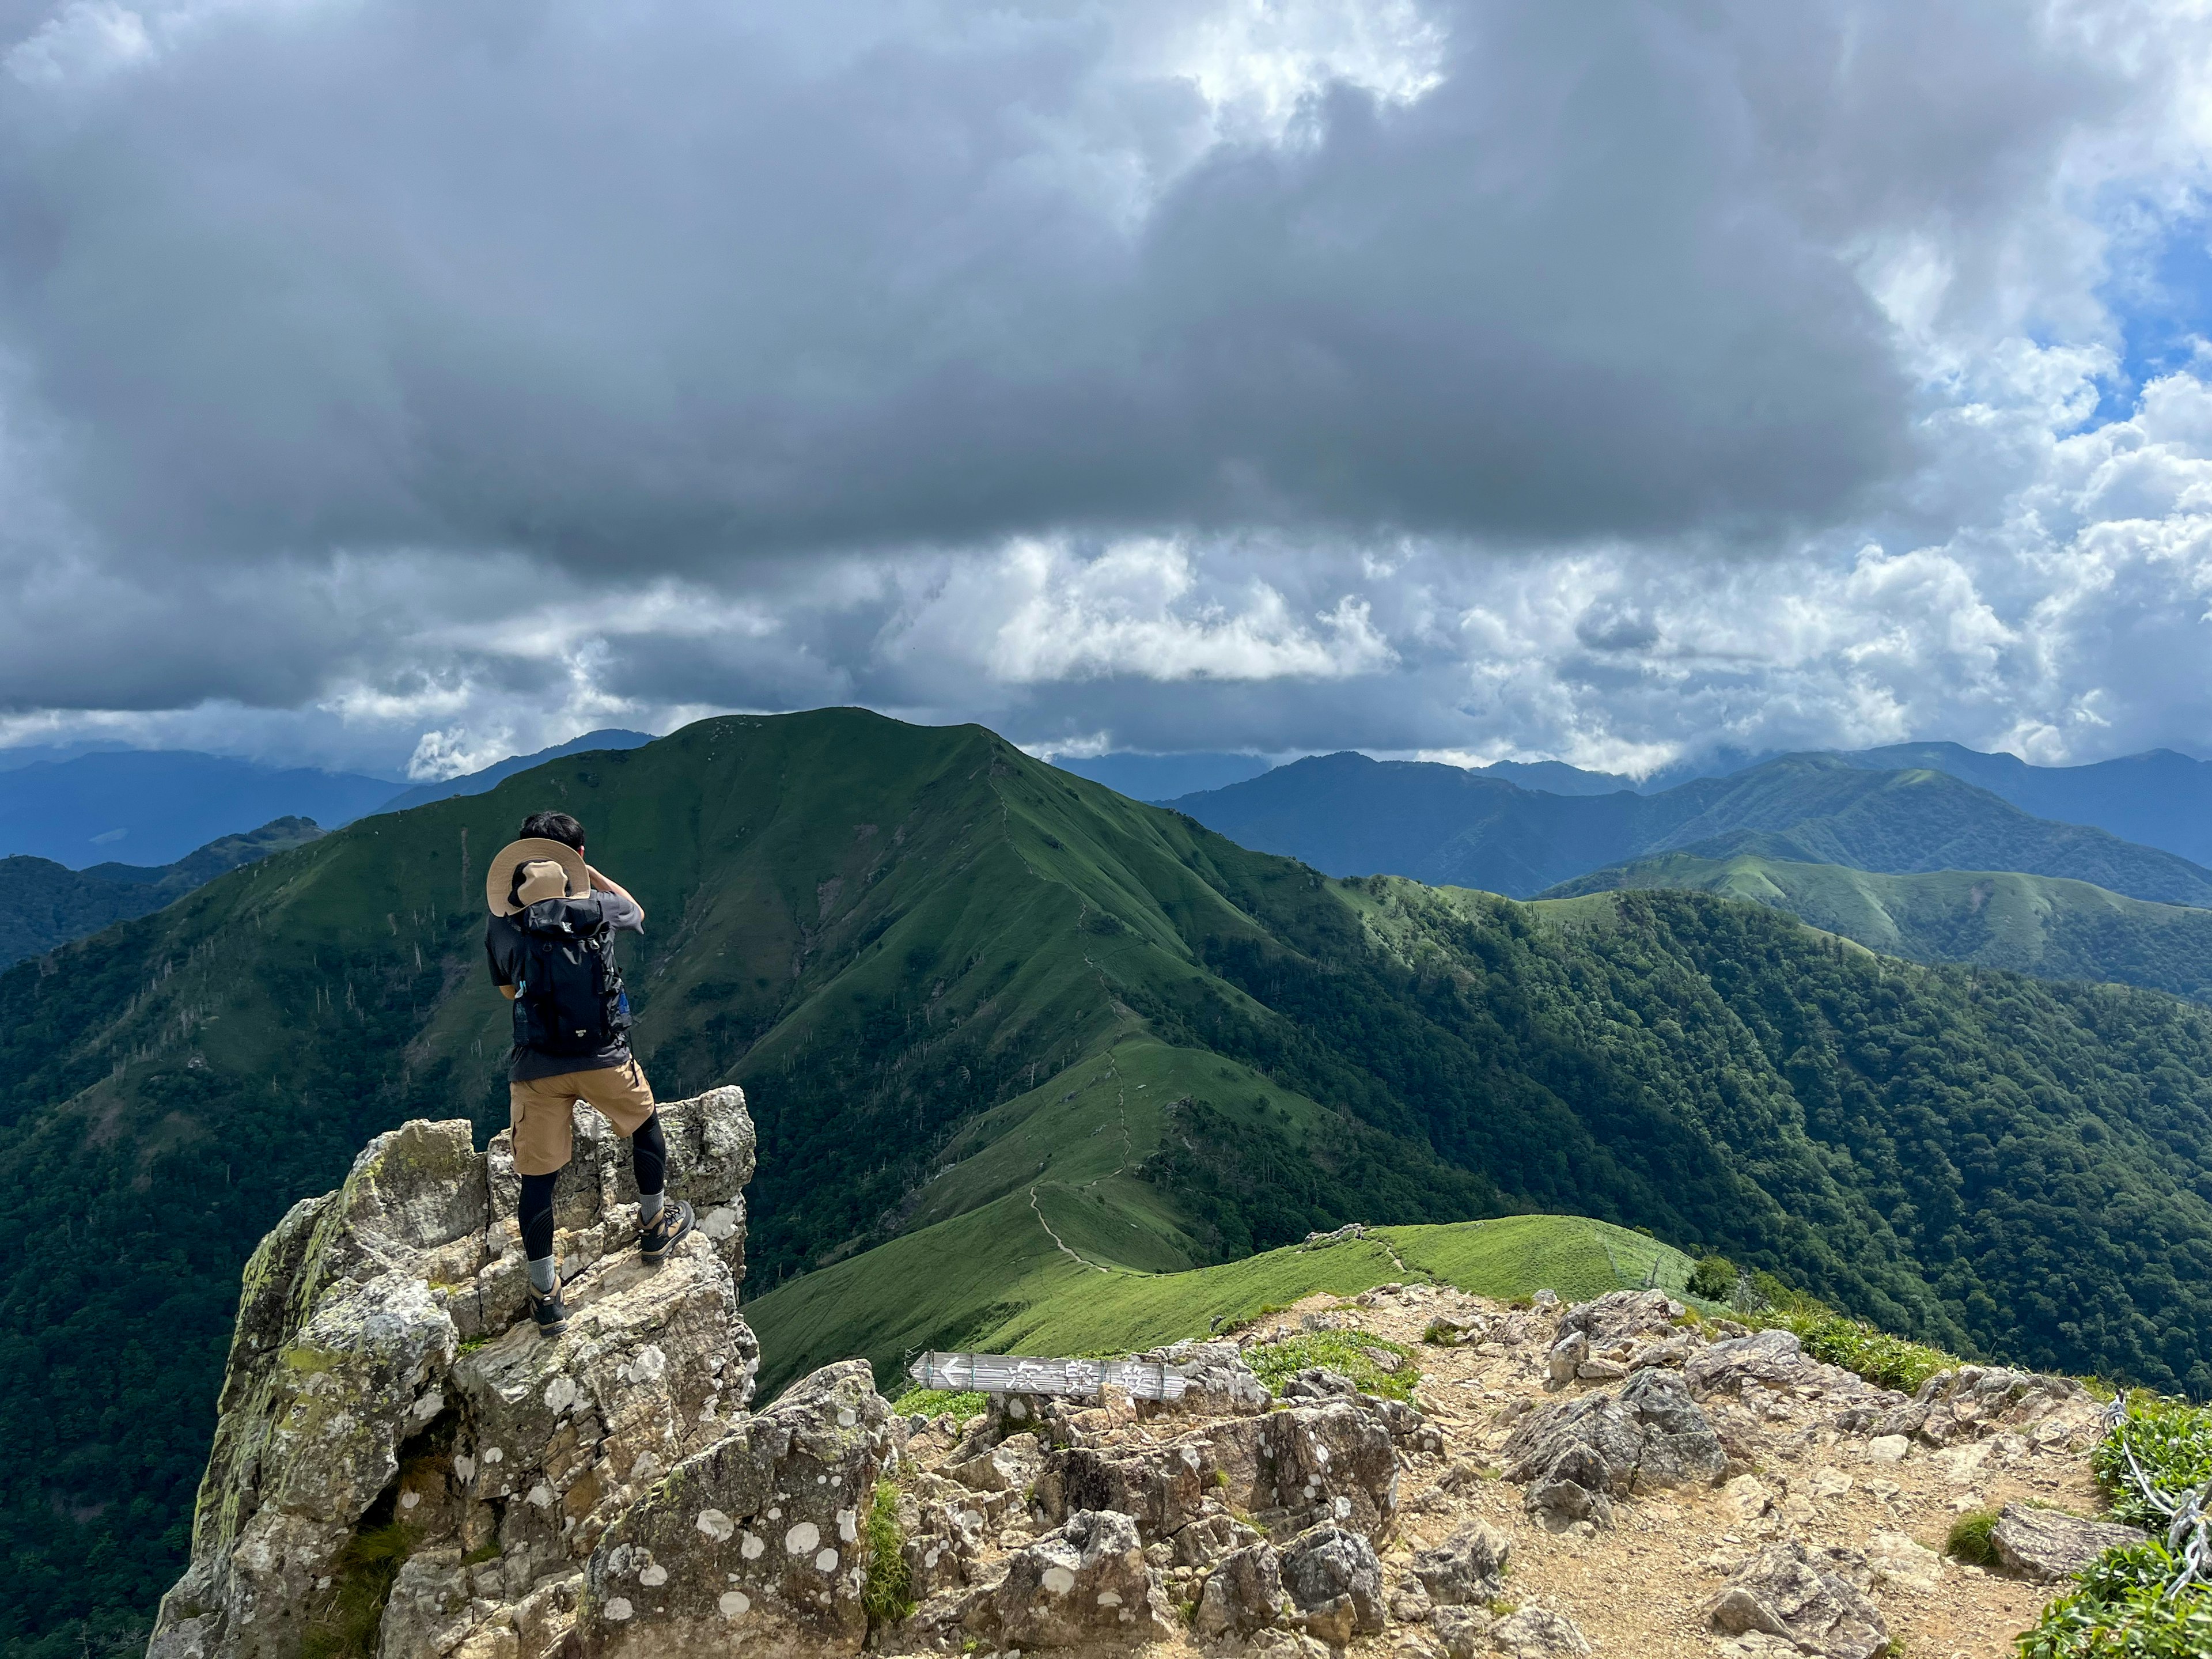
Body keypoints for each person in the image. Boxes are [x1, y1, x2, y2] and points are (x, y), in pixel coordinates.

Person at [484, 810, 693, 1336]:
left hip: (537, 1068)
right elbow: (637, 911)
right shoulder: (596, 908)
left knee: (538, 1179)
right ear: (573, 859)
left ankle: (546, 1294)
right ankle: (653, 1227)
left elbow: (510, 993)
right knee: (644, 1123)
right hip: (604, 1056)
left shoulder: (503, 922)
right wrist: (583, 873)